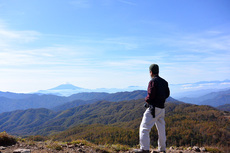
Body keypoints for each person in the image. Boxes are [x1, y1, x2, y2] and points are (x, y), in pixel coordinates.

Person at [134, 64, 170, 153]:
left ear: (151, 72)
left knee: (144, 128)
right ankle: (162, 149)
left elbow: (150, 96)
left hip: (153, 109)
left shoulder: (153, 82)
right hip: (162, 108)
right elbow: (167, 94)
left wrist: (146, 100)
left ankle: (144, 149)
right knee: (161, 128)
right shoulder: (164, 82)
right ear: (158, 71)